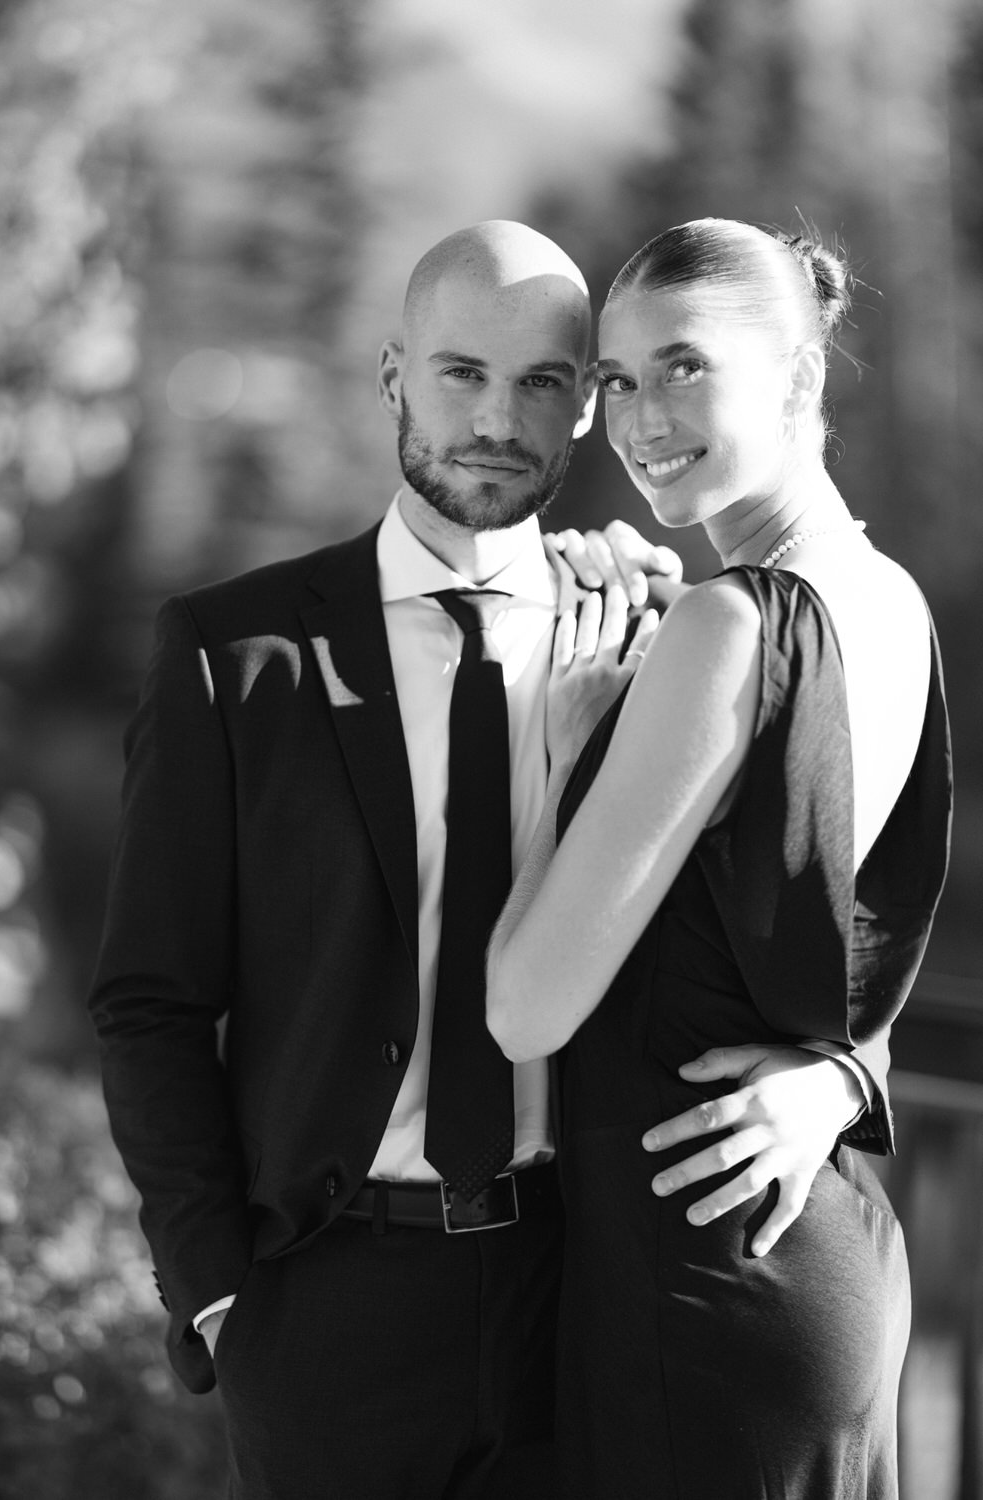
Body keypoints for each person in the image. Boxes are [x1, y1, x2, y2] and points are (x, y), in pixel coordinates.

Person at [89, 219, 889, 1500]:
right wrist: (220, 1294)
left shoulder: (656, 629)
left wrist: (839, 1074)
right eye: (460, 371)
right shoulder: (234, 657)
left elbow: (806, 912)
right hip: (325, 1313)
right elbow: (150, 1003)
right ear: (393, 373)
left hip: (581, 1301)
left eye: (544, 382)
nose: (493, 418)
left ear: (584, 408)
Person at [486, 217, 953, 1499]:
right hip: (819, 1248)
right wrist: (841, 1077)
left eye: (682, 366)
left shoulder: (724, 624)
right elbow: (825, 932)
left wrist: (565, 753)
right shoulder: (886, 598)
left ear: (800, 377)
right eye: (616, 381)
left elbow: (525, 1008)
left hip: (700, 1281)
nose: (638, 419)